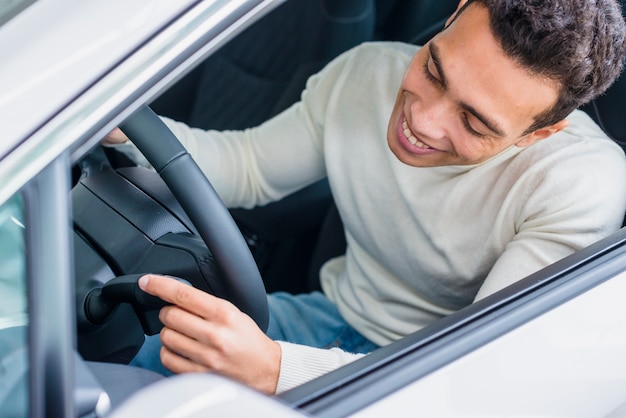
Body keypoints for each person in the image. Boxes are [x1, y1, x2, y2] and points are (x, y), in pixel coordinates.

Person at [105, 0, 626, 395]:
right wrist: (121, 130)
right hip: (324, 318)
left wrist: (277, 370)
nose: (420, 121)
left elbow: (475, 373)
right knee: (114, 351)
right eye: (433, 70)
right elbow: (249, 167)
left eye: (472, 121)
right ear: (457, 11)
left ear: (540, 133)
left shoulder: (580, 184)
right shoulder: (365, 74)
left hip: (424, 376)